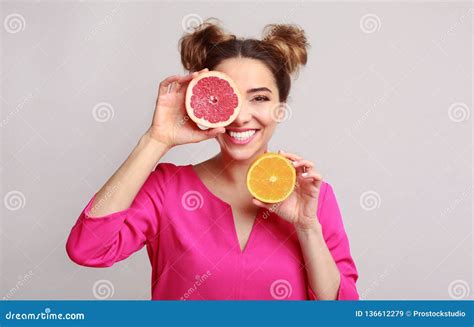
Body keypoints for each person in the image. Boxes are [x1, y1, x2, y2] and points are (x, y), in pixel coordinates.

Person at [66, 19, 359, 300]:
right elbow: (88, 249)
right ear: (202, 102)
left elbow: (340, 312)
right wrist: (156, 140)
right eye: (227, 98)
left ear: (280, 108)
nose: (242, 117)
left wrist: (307, 227)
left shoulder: (311, 197)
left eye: (259, 98)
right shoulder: (167, 190)